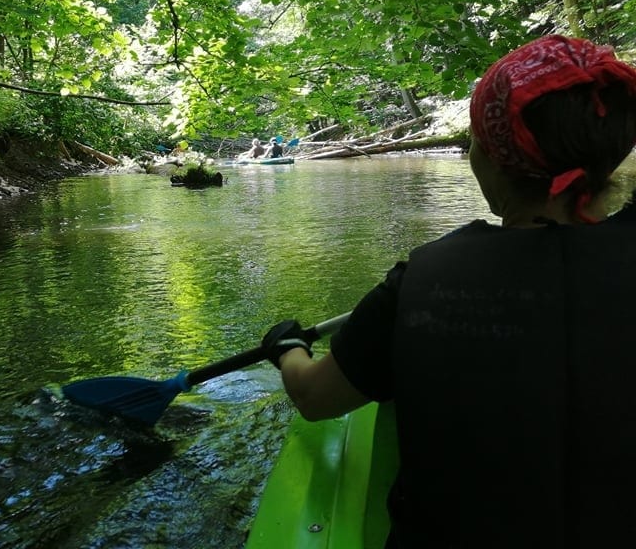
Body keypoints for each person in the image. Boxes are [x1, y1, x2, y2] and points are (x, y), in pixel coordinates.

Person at [260, 35, 636, 548]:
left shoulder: (421, 279)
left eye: (475, 139)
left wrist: (287, 349)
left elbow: (315, 398)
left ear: (495, 159)